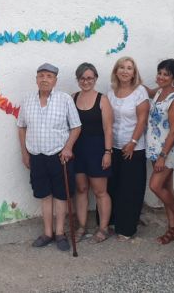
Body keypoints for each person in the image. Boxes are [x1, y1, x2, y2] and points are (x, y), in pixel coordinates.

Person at [17, 63, 81, 251]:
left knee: (61, 196)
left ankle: (60, 233)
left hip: (59, 156)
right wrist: (24, 153)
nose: (44, 79)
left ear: (55, 80)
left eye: (49, 76)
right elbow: (21, 127)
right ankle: (47, 233)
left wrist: (68, 147)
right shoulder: (27, 100)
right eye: (41, 75)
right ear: (36, 79)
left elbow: (76, 126)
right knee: (44, 195)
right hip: (37, 156)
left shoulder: (64, 100)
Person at [107, 57, 150, 241]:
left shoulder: (140, 92)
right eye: (122, 67)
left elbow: (142, 119)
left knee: (130, 189)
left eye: (129, 68)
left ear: (134, 72)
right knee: (114, 186)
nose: (125, 71)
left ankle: (127, 228)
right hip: (114, 146)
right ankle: (113, 222)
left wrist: (133, 142)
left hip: (134, 147)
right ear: (116, 71)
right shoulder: (111, 92)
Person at [147, 59, 174, 244]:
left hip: (167, 151)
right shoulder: (159, 93)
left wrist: (163, 156)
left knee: (155, 186)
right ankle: (173, 230)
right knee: (166, 188)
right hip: (154, 149)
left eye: (166, 74)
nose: (161, 77)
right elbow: (147, 91)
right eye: (159, 73)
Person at [72, 63, 114, 243]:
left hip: (97, 149)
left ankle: (103, 228)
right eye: (82, 78)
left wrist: (108, 152)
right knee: (81, 189)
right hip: (77, 150)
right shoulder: (72, 98)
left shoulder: (102, 99)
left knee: (100, 191)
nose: (86, 81)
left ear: (95, 79)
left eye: (89, 78)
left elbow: (108, 128)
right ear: (78, 80)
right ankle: (82, 226)